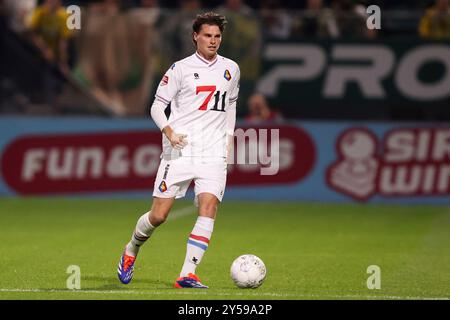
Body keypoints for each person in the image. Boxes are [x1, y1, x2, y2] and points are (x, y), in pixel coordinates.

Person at [117, 12, 240, 288]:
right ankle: (131, 249)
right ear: (195, 36)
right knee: (159, 215)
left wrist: (229, 138)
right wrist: (169, 132)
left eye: (217, 36)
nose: (213, 41)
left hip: (213, 151)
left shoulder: (231, 68)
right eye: (207, 35)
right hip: (180, 148)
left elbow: (230, 104)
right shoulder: (179, 69)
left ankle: (187, 274)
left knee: (208, 206)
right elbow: (157, 106)